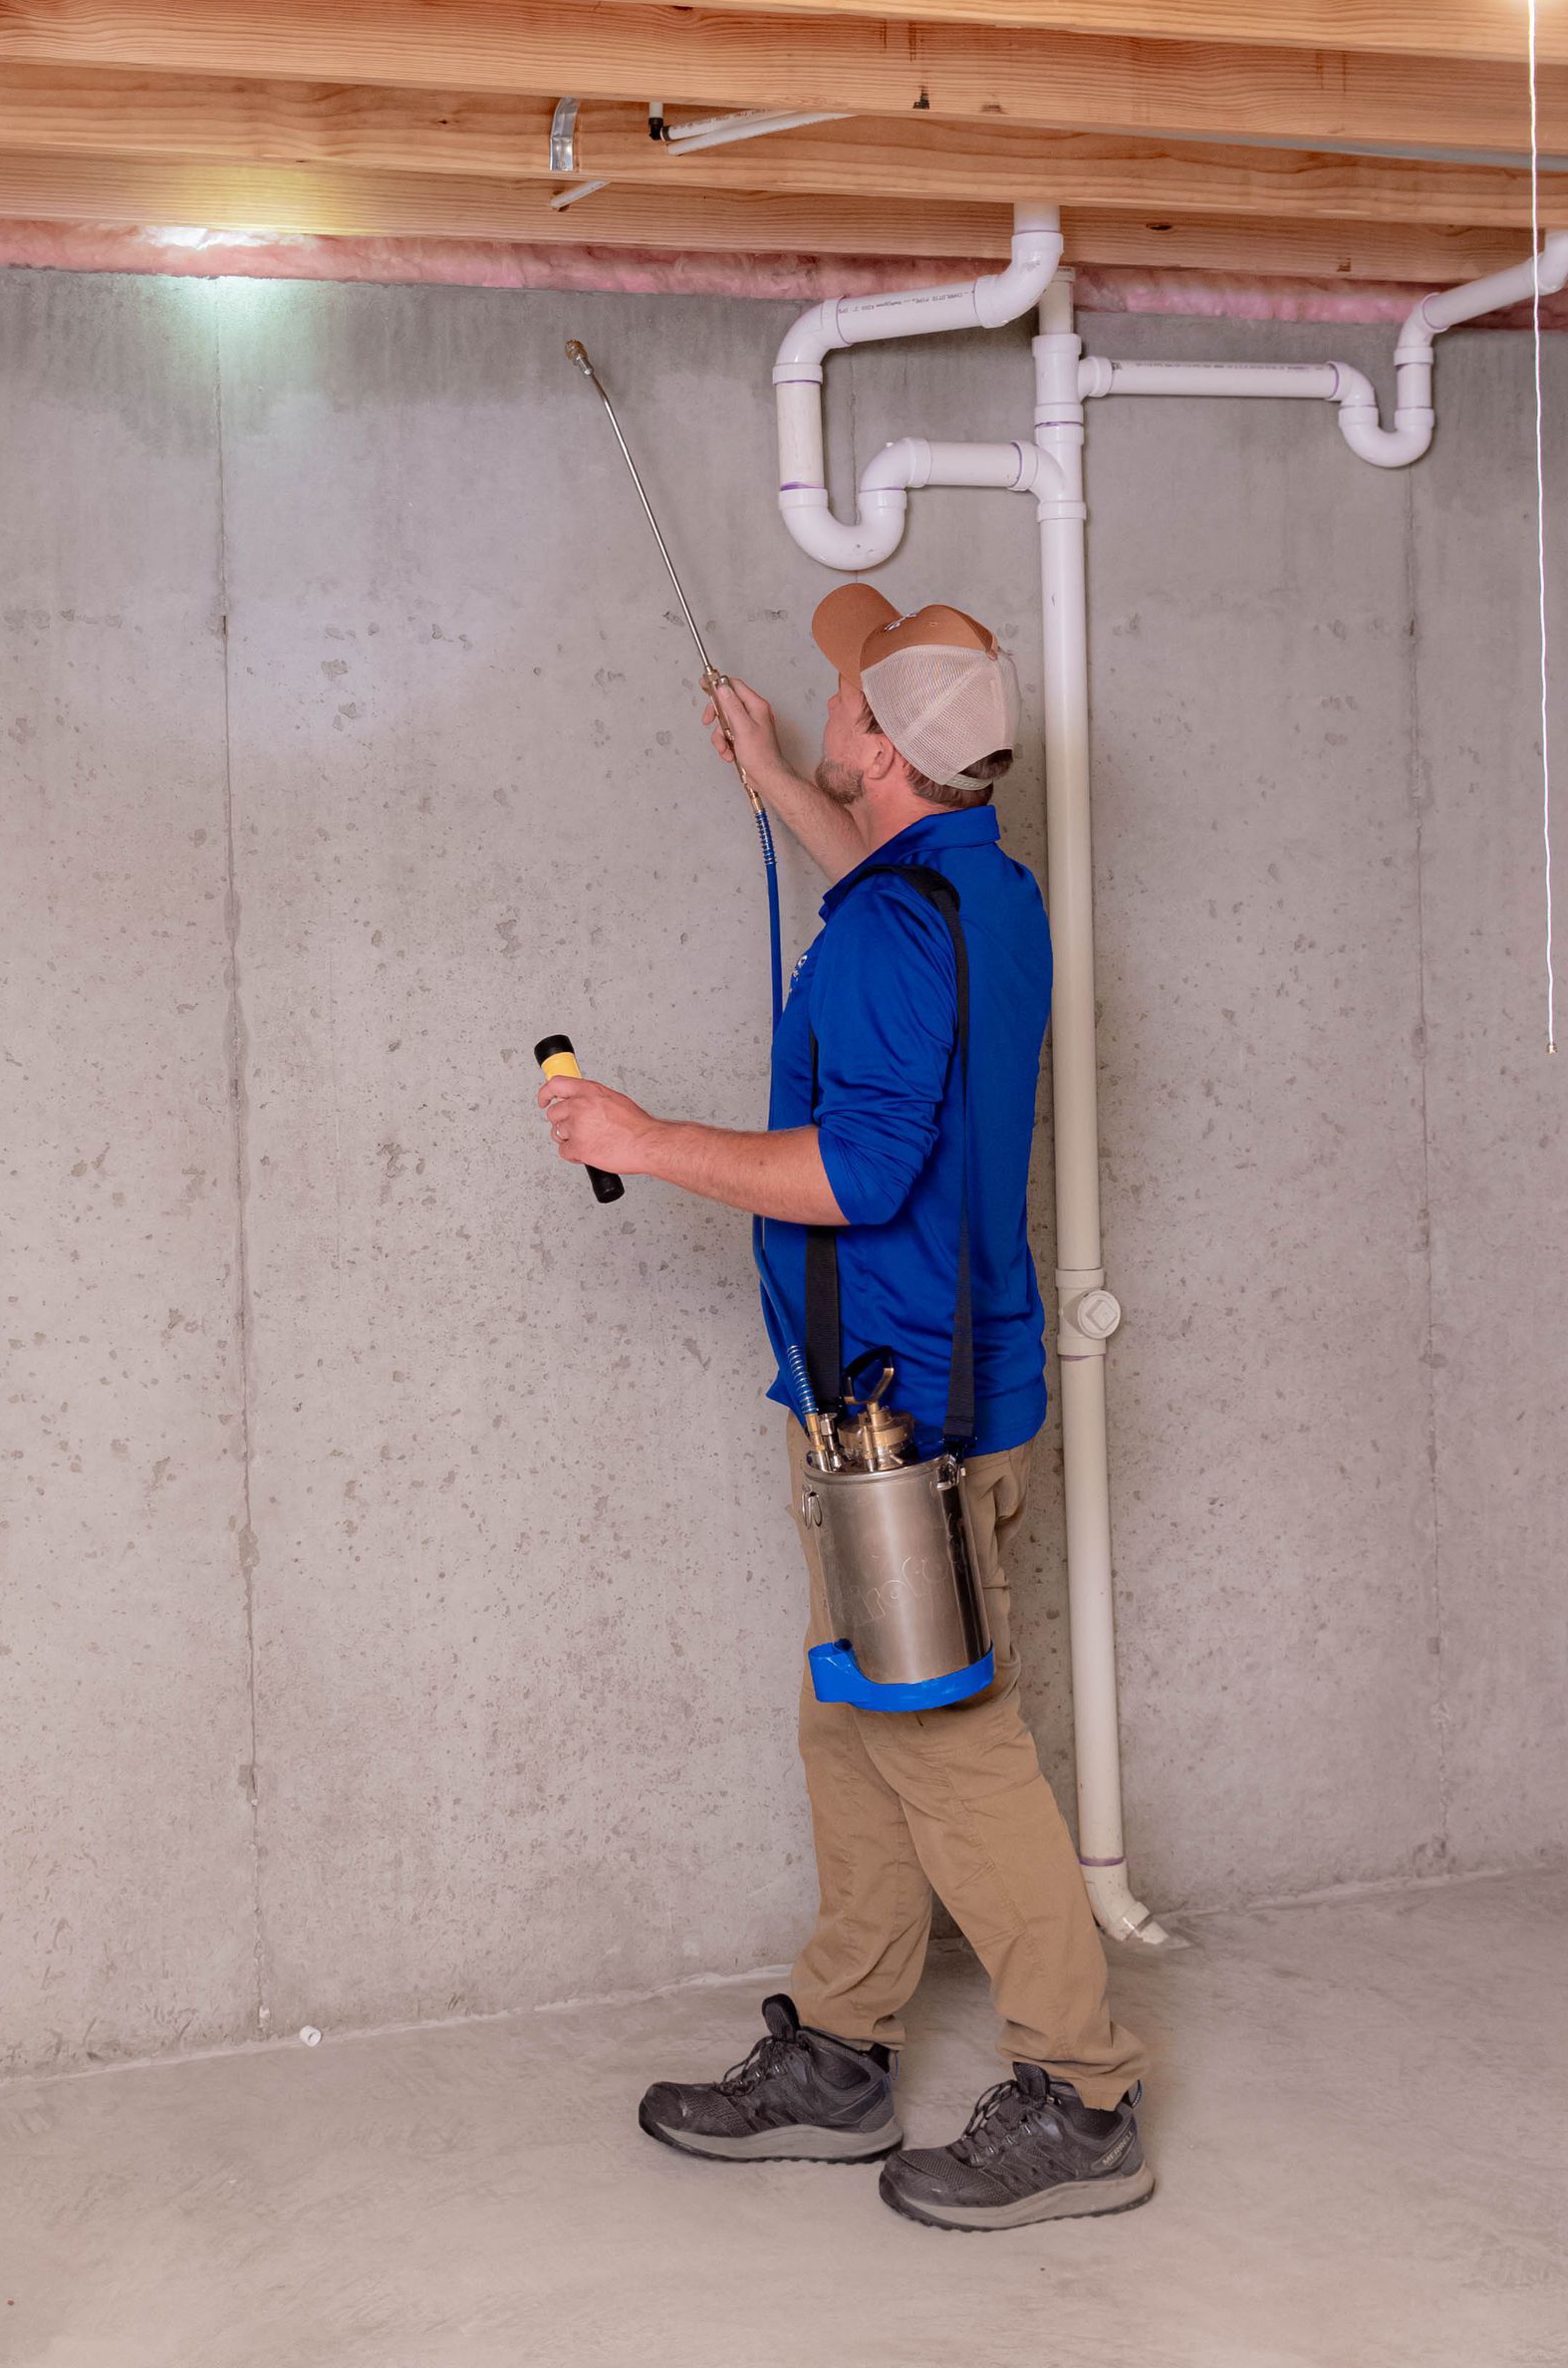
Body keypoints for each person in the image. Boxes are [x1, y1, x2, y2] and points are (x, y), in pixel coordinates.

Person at [536, 584, 1152, 2234]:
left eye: (845, 705)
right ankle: (845, 2050)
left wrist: (642, 1140)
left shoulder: (891, 934)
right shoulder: (978, 890)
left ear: (884, 746)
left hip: (905, 1418)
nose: (832, 711)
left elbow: (858, 1164)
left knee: (947, 1741)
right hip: (916, 1393)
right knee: (854, 1722)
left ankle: (1085, 2097)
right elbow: (882, 896)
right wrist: (776, 782)